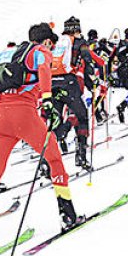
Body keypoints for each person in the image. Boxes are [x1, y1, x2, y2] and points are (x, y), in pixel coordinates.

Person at [0, 23, 78, 256]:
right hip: (25, 115)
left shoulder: (9, 53)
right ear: (47, 40)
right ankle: (67, 213)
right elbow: (44, 70)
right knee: (54, 158)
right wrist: (48, 100)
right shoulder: (40, 51)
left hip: (2, 116)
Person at [50, 17, 98, 169]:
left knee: (54, 121)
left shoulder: (56, 42)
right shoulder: (79, 42)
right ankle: (81, 155)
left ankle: (46, 163)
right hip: (69, 83)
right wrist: (92, 76)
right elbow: (87, 59)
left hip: (52, 84)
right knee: (82, 116)